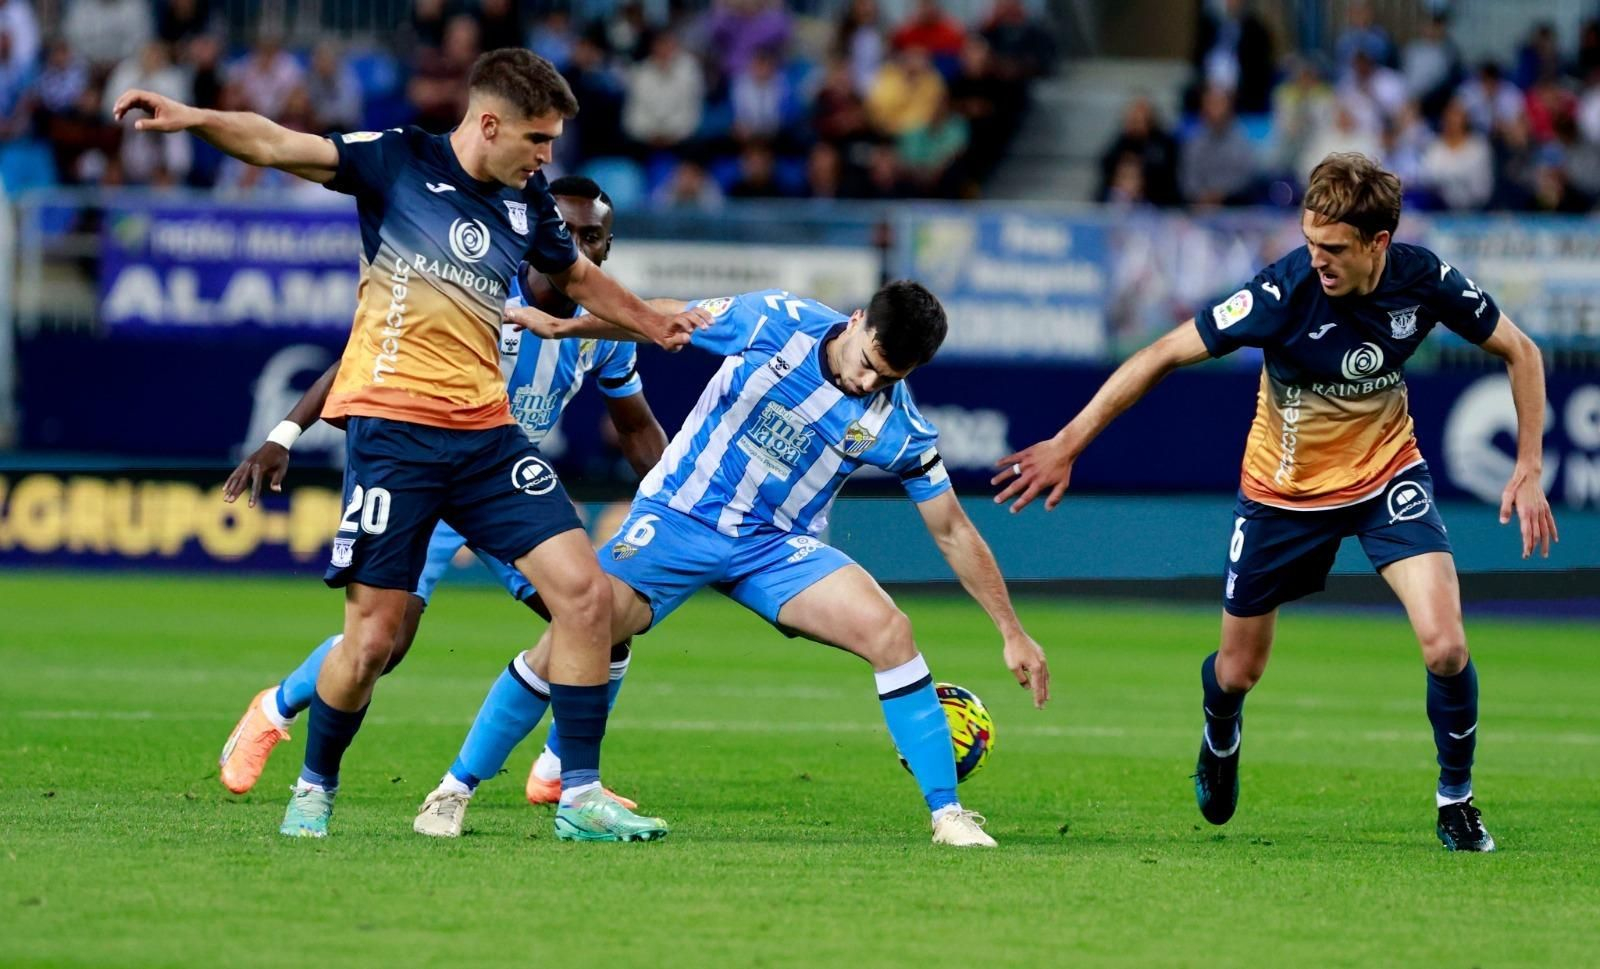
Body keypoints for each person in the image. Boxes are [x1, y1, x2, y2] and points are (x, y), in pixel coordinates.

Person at [115, 48, 705, 841]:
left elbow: (583, 285)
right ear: (488, 123)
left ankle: (578, 795)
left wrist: (653, 320)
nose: (547, 157)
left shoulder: (529, 203)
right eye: (538, 139)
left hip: (488, 439)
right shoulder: (396, 163)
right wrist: (195, 120)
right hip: (395, 438)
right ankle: (315, 785)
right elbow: (276, 142)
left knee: (589, 597)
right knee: (374, 643)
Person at [995, 153, 1557, 853]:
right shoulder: (1282, 291)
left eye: (1333, 248)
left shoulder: (1425, 279)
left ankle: (1456, 801)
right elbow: (1164, 352)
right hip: (1282, 494)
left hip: (1387, 477)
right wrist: (1069, 442)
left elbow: (1522, 351)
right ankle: (1220, 728)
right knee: (1239, 670)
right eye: (1309, 241)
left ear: (1378, 244)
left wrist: (1528, 465)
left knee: (1446, 645)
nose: (1315, 258)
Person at [411, 282, 1051, 847]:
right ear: (857, 321)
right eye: (869, 365)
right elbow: (668, 319)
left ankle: (949, 815)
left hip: (776, 546)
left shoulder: (898, 422)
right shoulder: (778, 320)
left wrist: (1010, 630)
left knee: (891, 632)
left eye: (888, 378)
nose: (868, 384)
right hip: (681, 518)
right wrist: (570, 325)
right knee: (580, 630)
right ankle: (453, 790)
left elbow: (952, 530)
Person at [217, 175, 665, 812]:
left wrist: (681, 502)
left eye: (594, 237)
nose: (580, 248)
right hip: (422, 469)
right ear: (542, 234)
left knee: (600, 620)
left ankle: (561, 769)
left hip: (497, 484)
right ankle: (276, 706)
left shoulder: (604, 324)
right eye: (566, 233)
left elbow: (635, 426)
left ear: (608, 248)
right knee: (384, 645)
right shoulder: (479, 286)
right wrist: (284, 433)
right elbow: (361, 352)